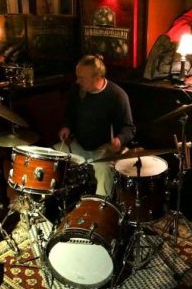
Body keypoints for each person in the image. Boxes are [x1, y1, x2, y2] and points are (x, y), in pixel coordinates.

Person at [57, 55, 135, 196]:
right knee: (54, 157)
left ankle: (100, 211)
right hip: (79, 145)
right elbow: (70, 113)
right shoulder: (77, 90)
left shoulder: (117, 95)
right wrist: (66, 126)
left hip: (104, 149)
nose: (77, 81)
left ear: (97, 78)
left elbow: (129, 128)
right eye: (77, 76)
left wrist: (119, 140)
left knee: (104, 169)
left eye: (82, 78)